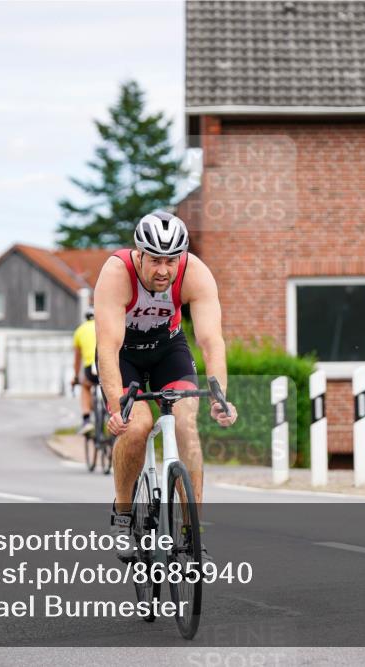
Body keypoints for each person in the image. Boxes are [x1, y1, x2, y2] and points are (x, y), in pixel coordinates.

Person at [94, 210, 237, 562]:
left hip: (167, 349)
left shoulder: (195, 273)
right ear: (139, 254)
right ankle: (124, 516)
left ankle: (191, 532)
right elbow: (108, 346)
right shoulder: (116, 274)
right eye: (155, 259)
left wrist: (220, 395)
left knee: (186, 423)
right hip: (125, 354)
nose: (163, 270)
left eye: (171, 260)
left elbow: (211, 341)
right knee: (137, 425)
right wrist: (116, 407)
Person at [72, 307, 98, 434]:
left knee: (85, 386)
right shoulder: (104, 324)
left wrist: (76, 377)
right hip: (107, 364)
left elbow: (77, 360)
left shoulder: (79, 331)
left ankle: (86, 420)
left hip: (90, 367)